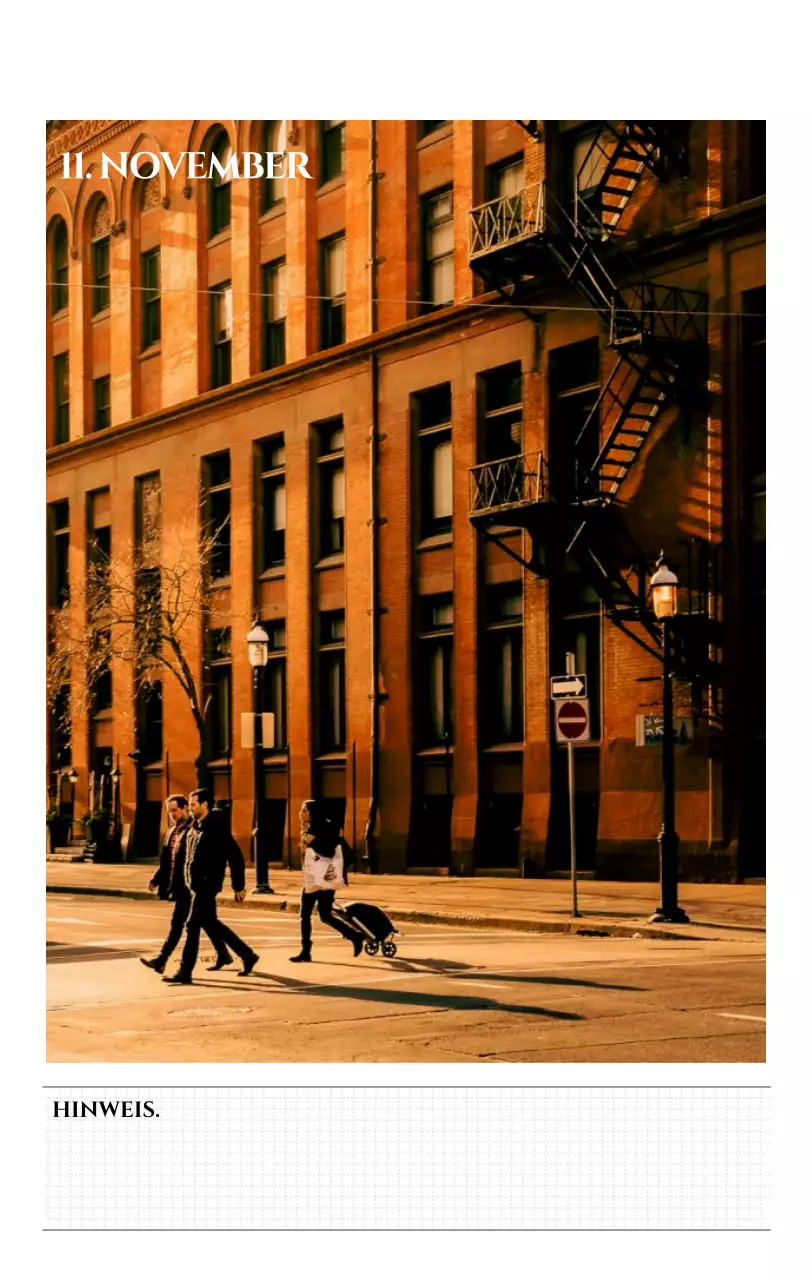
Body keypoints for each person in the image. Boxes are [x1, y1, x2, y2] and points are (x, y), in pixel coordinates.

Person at [163, 789, 259, 985]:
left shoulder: (216, 828)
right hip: (195, 884)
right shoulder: (196, 826)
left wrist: (238, 886)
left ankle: (185, 971)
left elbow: (235, 857)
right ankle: (247, 955)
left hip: (208, 884)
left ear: (205, 805)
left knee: (192, 926)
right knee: (210, 923)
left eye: (193, 804)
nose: (190, 808)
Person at [141, 795, 232, 975]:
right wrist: (156, 879)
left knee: (182, 923)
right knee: (207, 922)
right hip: (180, 885)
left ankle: (163, 960)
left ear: (185, 808)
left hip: (193, 885)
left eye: (175, 810)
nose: (172, 814)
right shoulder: (172, 830)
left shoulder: (194, 828)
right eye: (169, 812)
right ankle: (227, 954)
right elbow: (168, 860)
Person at [289, 800, 364, 963]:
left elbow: (326, 851)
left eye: (304, 811)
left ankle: (306, 951)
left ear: (312, 813)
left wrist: (309, 840)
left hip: (318, 878)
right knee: (324, 915)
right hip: (325, 877)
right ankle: (354, 936)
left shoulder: (317, 829)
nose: (300, 814)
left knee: (306, 915)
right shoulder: (325, 826)